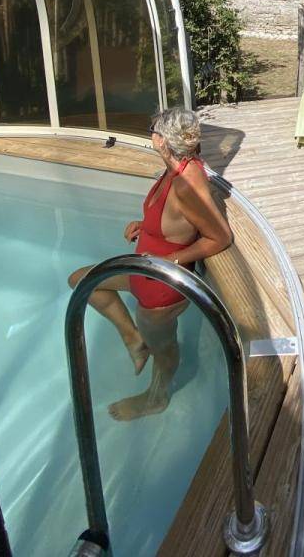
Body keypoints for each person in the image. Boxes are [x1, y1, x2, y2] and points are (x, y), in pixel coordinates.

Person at [68, 106, 232, 421]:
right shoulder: (177, 168)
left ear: (162, 142)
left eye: (153, 131)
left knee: (164, 352)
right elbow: (177, 223)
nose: (151, 135)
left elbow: (220, 237)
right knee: (82, 281)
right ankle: (133, 338)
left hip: (160, 291)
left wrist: (170, 260)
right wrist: (145, 226)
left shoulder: (185, 184)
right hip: (144, 269)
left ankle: (156, 399)